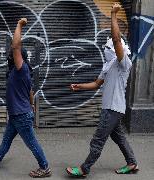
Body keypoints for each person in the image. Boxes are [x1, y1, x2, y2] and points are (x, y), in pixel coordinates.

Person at [66, 3, 138, 178]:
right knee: (118, 137)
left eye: (108, 48)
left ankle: (85, 168)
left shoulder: (123, 63)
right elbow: (97, 84)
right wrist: (79, 86)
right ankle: (132, 162)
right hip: (112, 108)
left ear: (115, 49)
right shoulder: (108, 65)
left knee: (98, 140)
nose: (105, 50)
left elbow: (115, 39)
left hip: (113, 108)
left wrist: (113, 15)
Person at [0, 18, 52, 178]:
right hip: (17, 114)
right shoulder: (18, 72)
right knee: (6, 140)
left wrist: (18, 25)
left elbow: (16, 45)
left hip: (21, 115)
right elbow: (30, 91)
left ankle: (45, 167)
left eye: (13, 54)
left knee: (32, 143)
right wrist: (32, 105)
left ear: (19, 57)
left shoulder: (21, 68)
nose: (10, 55)